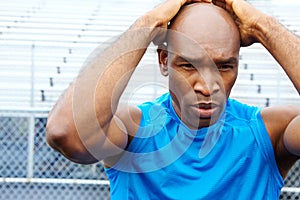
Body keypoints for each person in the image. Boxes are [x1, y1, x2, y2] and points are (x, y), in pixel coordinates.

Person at [46, 0, 300, 199]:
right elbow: (66, 133)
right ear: (164, 61)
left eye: (223, 67)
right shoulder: (135, 130)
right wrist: (147, 25)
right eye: (189, 65)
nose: (206, 86)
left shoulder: (267, 134)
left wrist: (262, 26)